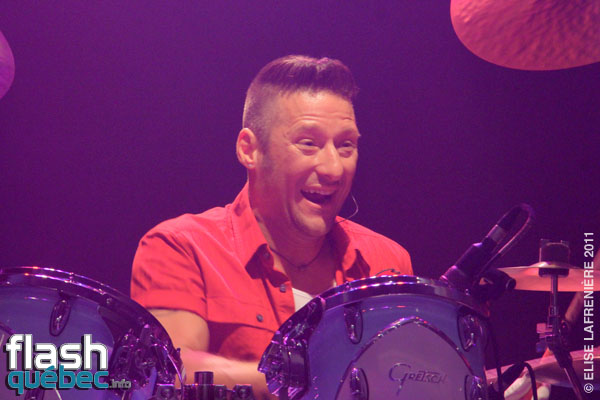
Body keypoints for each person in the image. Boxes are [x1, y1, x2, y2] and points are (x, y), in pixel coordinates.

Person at [131, 55, 412, 399]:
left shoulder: (387, 260)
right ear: (249, 150)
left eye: (346, 146)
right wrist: (313, 379)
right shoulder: (181, 245)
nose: (334, 169)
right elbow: (172, 371)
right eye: (308, 143)